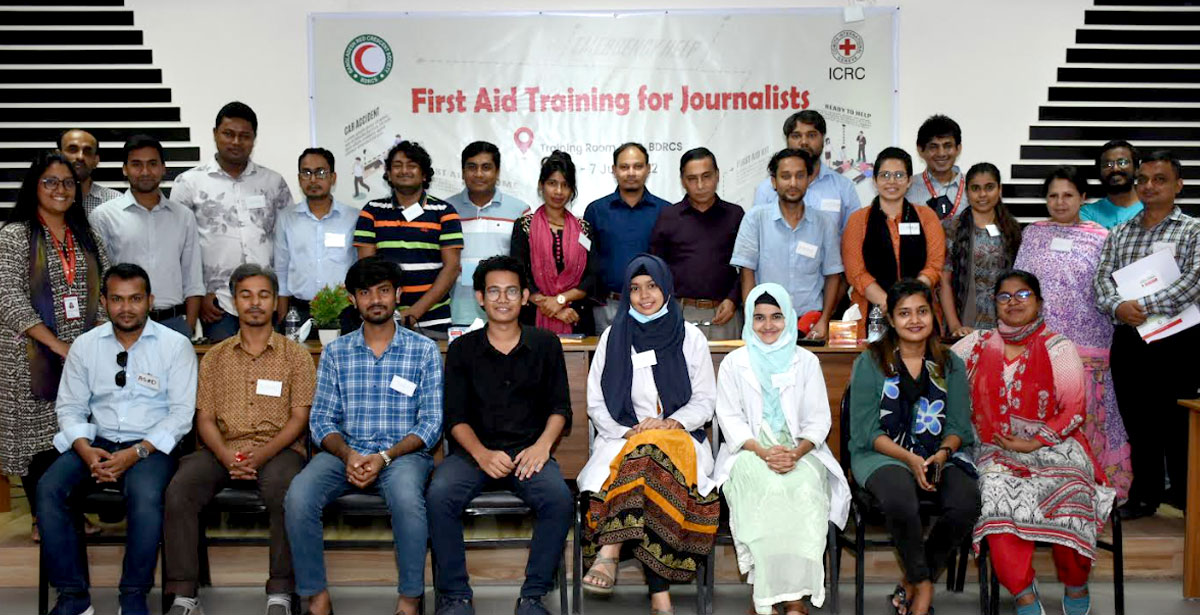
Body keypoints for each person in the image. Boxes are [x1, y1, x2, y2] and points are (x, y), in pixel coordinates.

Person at [284, 257, 442, 615]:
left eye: (384, 290)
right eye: (365, 292)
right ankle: (317, 598)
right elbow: (322, 421)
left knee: (407, 501)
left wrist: (384, 457)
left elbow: (431, 423)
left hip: (402, 457)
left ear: (398, 295)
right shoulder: (336, 352)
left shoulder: (424, 351)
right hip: (344, 455)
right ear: (352, 299)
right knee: (298, 497)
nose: (375, 299)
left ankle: (410, 599)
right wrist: (350, 456)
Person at [37, 263, 197, 615]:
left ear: (150, 301)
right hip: (97, 442)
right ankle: (73, 598)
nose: (126, 308)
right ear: (105, 303)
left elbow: (181, 415)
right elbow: (70, 408)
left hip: (151, 446)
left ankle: (133, 596)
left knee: (146, 496)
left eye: (135, 299)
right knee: (48, 489)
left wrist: (136, 453)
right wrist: (84, 450)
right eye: (117, 299)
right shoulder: (85, 345)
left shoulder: (175, 346)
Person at [952, 270, 1116, 615]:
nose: (1013, 302)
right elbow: (935, 371)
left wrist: (1035, 442)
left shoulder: (1059, 347)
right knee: (996, 494)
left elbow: (1073, 409)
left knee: (1072, 491)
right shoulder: (975, 345)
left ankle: (1075, 583)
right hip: (995, 448)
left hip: (1055, 446)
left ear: (1039, 303)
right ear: (994, 303)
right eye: (1004, 296)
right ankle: (1023, 592)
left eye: (1023, 295)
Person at [163, 264, 315, 615]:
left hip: (278, 449)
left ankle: (281, 590)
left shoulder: (297, 355)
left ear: (276, 301)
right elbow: (204, 418)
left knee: (287, 489)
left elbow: (299, 419)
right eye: (246, 295)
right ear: (235, 302)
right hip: (222, 447)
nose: (255, 303)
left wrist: (259, 456)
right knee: (180, 487)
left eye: (264, 295)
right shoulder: (214, 357)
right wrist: (226, 455)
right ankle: (184, 593)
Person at [427, 255, 574, 615]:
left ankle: (533, 596)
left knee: (559, 499)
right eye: (494, 291)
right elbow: (455, 418)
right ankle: (455, 596)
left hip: (529, 454)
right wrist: (481, 454)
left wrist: (542, 447)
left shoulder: (545, 344)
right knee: (438, 495)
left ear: (526, 296)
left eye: (512, 291)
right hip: (473, 454)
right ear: (480, 297)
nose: (503, 299)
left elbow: (561, 409)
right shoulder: (462, 349)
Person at [578, 254, 718, 615]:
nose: (644, 296)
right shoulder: (613, 336)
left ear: (666, 287)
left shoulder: (690, 336)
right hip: (621, 439)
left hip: (680, 438)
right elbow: (596, 403)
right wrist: (628, 433)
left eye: (652, 286)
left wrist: (671, 423)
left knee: (650, 463)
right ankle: (660, 597)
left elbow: (704, 400)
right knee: (647, 471)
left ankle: (609, 551)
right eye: (635, 289)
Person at [712, 282, 851, 615]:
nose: (768, 325)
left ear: (789, 317)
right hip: (748, 450)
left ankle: (794, 597)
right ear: (749, 320)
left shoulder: (805, 361)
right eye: (759, 317)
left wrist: (795, 452)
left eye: (776, 316)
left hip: (799, 451)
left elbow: (819, 420)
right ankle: (766, 594)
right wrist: (763, 452)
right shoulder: (735, 362)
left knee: (803, 491)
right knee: (767, 490)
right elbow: (729, 417)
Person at [847, 279, 978, 615]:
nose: (914, 320)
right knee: (901, 499)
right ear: (890, 319)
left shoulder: (950, 363)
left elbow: (959, 427)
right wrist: (908, 457)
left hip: (939, 453)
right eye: (904, 313)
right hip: (880, 454)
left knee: (966, 502)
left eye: (922, 311)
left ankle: (911, 580)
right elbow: (865, 431)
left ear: (933, 315)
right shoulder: (870, 361)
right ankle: (922, 586)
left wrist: (943, 452)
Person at [0, 152, 110, 544]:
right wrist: (57, 345)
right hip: (27, 355)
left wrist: (94, 337)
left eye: (67, 183)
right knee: (37, 439)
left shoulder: (88, 235)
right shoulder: (14, 235)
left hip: (82, 352)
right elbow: (8, 297)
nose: (60, 190)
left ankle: (71, 511)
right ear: (35, 186)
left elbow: (106, 291)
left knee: (74, 430)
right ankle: (40, 518)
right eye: (50, 181)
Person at [1014, 166, 1132, 502]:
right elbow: (1020, 286)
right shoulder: (1032, 234)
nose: (1060, 202)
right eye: (1053, 195)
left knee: (1089, 416)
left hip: (1091, 344)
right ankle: (1048, 488)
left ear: (1083, 197)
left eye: (1068, 195)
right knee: (1044, 415)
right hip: (1041, 343)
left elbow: (1111, 287)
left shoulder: (1102, 236)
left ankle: (1092, 489)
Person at [1095, 150, 1200, 519]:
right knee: (1138, 420)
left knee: (1178, 422)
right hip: (1130, 338)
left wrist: (1143, 303)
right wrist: (1116, 307)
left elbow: (1194, 281)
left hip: (1180, 341)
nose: (1149, 186)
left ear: (1178, 185)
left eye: (1160, 179)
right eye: (1143, 180)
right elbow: (1102, 281)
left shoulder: (1193, 230)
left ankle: (1189, 498)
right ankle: (1144, 495)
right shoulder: (1120, 232)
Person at [171, 101, 292, 342]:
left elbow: (287, 243)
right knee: (224, 373)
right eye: (228, 134)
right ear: (215, 134)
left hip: (267, 301)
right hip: (216, 304)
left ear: (254, 139)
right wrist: (198, 294)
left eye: (244, 136)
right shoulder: (188, 183)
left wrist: (283, 296)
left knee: (271, 369)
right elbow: (181, 249)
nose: (236, 142)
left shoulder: (273, 182)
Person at [91, 134, 204, 338]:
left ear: (163, 168)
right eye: (136, 164)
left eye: (152, 164)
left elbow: (193, 277)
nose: (145, 172)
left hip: (174, 324)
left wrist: (190, 327)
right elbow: (98, 279)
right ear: (125, 169)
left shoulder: (183, 216)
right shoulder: (104, 216)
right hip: (123, 324)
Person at [355, 140, 463, 338]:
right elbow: (366, 271)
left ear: (424, 174)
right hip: (383, 321)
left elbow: (452, 268)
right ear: (388, 173)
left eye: (412, 165)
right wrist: (391, 314)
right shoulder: (371, 212)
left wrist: (415, 312)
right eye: (397, 165)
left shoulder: (445, 212)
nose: (404, 170)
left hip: (434, 321)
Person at [733, 149, 843, 340]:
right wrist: (752, 320)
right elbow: (747, 274)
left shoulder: (824, 223)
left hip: (809, 325)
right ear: (774, 182)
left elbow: (833, 275)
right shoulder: (755, 219)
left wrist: (824, 320)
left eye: (800, 176)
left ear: (809, 179)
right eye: (785, 176)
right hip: (766, 325)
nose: (793, 183)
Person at [843, 147, 946, 338]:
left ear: (909, 181)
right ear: (874, 181)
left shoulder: (927, 217)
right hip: (870, 315)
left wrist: (909, 303)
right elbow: (856, 273)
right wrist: (891, 303)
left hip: (920, 314)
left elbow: (934, 267)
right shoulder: (858, 220)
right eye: (885, 175)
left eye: (899, 175)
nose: (892, 181)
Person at [649, 148, 744, 340]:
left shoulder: (735, 215)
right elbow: (655, 266)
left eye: (706, 176)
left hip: (724, 313)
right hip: (679, 312)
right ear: (683, 181)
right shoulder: (668, 216)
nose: (700, 185)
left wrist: (733, 300)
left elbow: (747, 267)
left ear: (717, 175)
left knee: (724, 369)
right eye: (692, 179)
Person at [583, 143, 671, 333]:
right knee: (609, 360)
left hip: (652, 304)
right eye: (624, 167)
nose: (631, 172)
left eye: (638, 166)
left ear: (648, 169)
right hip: (608, 306)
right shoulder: (596, 211)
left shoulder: (666, 211)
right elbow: (586, 260)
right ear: (614, 170)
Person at [509, 150, 598, 335]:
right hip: (533, 318)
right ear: (541, 186)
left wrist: (559, 301)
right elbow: (519, 274)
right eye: (552, 183)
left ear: (572, 190)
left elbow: (592, 277)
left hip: (576, 317)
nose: (558, 191)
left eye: (565, 185)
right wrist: (553, 309)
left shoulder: (584, 229)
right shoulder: (524, 226)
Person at [445, 141, 531, 328]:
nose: (478, 174)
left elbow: (525, 265)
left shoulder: (520, 210)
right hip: (456, 313)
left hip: (505, 314)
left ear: (497, 172)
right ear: (462, 172)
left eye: (486, 168)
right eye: (472, 167)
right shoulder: (445, 210)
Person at [273, 147, 358, 329]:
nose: (313, 179)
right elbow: (281, 268)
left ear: (333, 178)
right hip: (300, 310)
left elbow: (359, 266)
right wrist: (282, 312)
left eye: (320, 173)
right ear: (299, 178)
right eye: (307, 173)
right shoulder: (287, 218)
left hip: (344, 311)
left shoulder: (353, 218)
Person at [939, 163, 1021, 336]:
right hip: (964, 324)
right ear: (967, 192)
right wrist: (955, 326)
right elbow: (944, 282)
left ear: (999, 190)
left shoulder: (1011, 229)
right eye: (976, 188)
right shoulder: (952, 228)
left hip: (1005, 323)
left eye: (989, 187)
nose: (982, 194)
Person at [751, 110, 862, 234]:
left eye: (811, 135)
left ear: (823, 139)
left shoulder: (843, 188)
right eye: (796, 136)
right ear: (787, 140)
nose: (804, 142)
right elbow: (756, 238)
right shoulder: (767, 189)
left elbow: (855, 238)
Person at [906, 115, 966, 220]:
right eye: (933, 147)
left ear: (958, 148)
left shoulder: (974, 187)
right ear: (920, 150)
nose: (941, 153)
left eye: (948, 146)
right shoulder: (907, 187)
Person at [1081, 140, 1143, 229]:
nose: (1115, 169)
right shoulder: (1087, 213)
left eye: (1122, 163)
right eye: (1108, 164)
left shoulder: (1152, 209)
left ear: (1137, 169)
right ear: (1099, 172)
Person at [59, 128, 120, 216]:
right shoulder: (44, 201)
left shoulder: (115, 203)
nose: (80, 157)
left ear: (96, 160)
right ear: (58, 155)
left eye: (87, 151)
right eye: (72, 149)